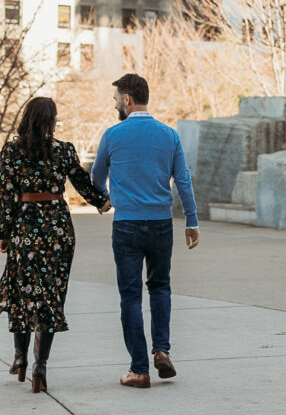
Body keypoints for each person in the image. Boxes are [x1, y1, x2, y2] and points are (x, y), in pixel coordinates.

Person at [0, 97, 110, 393]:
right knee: (51, 295)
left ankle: (20, 358)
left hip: (24, 228)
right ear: (51, 120)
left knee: (21, 292)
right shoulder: (64, 150)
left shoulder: (12, 150)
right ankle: (40, 367)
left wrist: (3, 233)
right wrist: (101, 202)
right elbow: (81, 181)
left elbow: (4, 194)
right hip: (57, 230)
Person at [91, 73, 199, 389]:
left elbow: (96, 177)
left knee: (130, 296)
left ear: (127, 99)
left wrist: (103, 199)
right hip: (161, 225)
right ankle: (162, 349)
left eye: (116, 100)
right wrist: (191, 221)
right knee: (161, 286)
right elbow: (183, 180)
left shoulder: (112, 135)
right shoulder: (169, 135)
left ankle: (139, 369)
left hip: (126, 225)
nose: (115, 105)